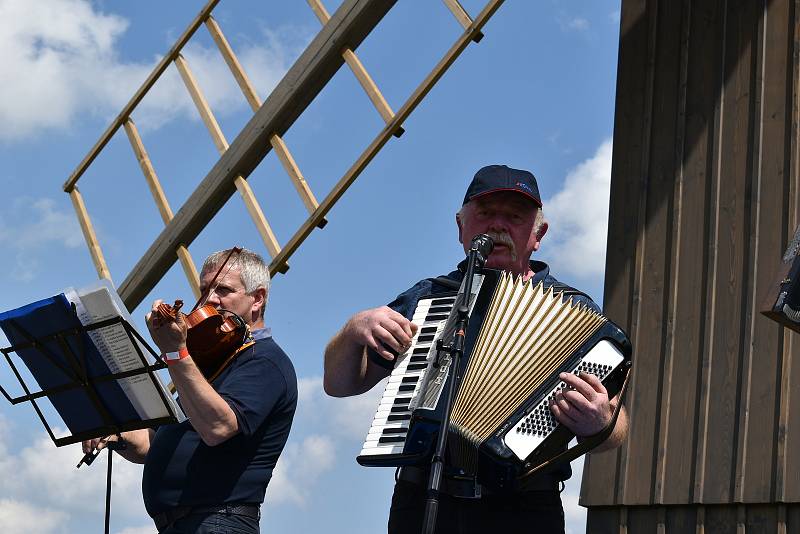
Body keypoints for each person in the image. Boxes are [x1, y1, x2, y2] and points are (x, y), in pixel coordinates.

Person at [323, 165, 629, 533]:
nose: (497, 225)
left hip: (525, 507)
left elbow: (616, 430)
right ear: (460, 227)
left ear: (538, 234)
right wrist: (354, 328)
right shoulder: (429, 298)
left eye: (514, 217)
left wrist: (599, 421)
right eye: (485, 214)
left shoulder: (574, 313)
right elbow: (339, 384)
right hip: (423, 499)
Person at [83, 248, 297, 534]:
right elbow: (154, 442)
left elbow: (218, 427)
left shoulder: (264, 361)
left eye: (223, 289)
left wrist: (176, 352)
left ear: (257, 299)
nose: (210, 299)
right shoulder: (209, 362)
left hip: (219, 521)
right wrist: (117, 432)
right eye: (204, 289)